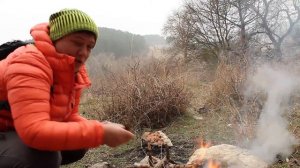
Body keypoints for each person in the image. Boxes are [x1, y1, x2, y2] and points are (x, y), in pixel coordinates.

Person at [0, 8, 134, 168]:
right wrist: (100, 133)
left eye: (90, 46)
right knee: (39, 157)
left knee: (78, 145)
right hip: (11, 129)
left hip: (14, 127)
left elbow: (68, 117)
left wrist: (99, 125)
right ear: (55, 38)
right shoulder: (28, 63)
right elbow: (34, 131)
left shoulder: (70, 70)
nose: (84, 52)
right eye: (77, 43)